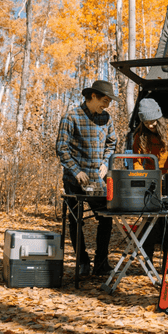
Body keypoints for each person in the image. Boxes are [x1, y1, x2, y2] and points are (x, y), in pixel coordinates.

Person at [56, 80, 118, 276]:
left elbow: (112, 142)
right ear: (92, 96)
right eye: (105, 100)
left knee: (106, 218)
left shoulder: (107, 119)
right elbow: (61, 148)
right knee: (75, 221)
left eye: (109, 102)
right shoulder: (71, 117)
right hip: (75, 181)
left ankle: (101, 263)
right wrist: (76, 170)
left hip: (98, 181)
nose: (107, 105)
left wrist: (105, 162)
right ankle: (82, 262)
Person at [131, 98, 168, 268]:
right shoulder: (139, 135)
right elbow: (136, 159)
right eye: (146, 123)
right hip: (151, 181)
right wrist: (141, 174)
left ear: (159, 119)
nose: (150, 126)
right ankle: (148, 261)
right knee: (149, 223)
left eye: (153, 122)